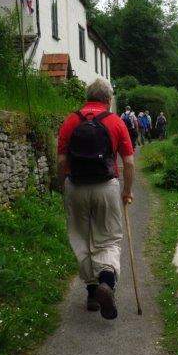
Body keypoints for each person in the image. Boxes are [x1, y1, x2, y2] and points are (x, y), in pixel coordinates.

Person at [58, 79, 134, 320]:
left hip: (76, 186)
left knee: (81, 237)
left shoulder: (71, 121)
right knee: (109, 238)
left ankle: (92, 293)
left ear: (87, 97)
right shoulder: (115, 121)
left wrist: (64, 186)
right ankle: (106, 282)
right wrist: (127, 191)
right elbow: (129, 162)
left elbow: (61, 161)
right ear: (108, 99)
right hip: (106, 187)